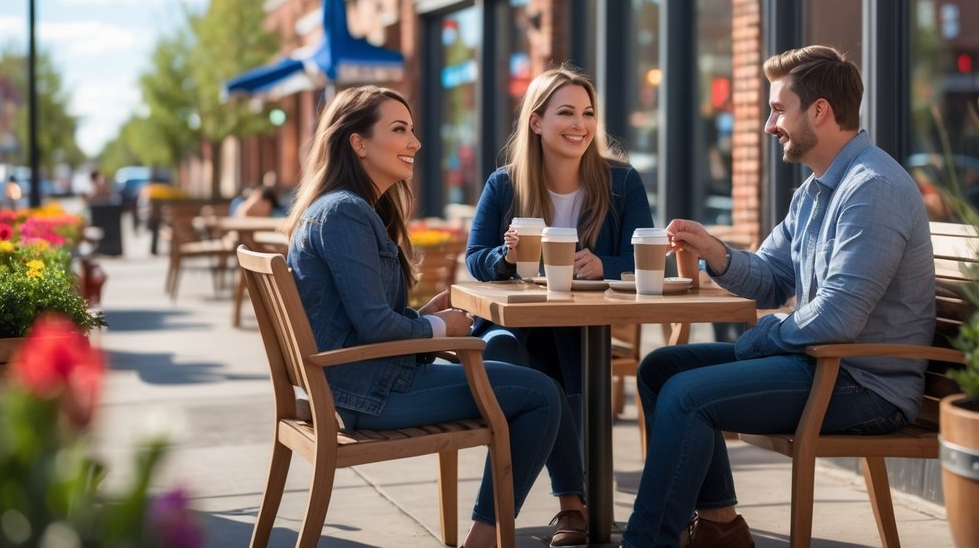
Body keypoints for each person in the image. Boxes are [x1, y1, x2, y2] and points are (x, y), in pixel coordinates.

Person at [621, 46, 936, 548]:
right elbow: (771, 277)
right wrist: (716, 253)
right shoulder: (814, 190)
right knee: (661, 371)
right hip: (821, 365)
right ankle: (722, 528)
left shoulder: (873, 189)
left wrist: (762, 337)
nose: (770, 126)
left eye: (777, 109)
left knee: (687, 395)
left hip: (864, 386)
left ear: (819, 111)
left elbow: (838, 316)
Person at [284, 85, 561, 548]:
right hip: (367, 394)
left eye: (412, 130)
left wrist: (420, 316)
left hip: (356, 383)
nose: (414, 142)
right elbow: (374, 328)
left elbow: (361, 316)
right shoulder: (345, 214)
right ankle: (487, 537)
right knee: (542, 395)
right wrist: (438, 328)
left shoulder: (339, 209)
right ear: (358, 142)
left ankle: (547, 509)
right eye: (399, 130)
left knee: (507, 351)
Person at [466, 65, 653, 546]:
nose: (580, 124)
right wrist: (505, 256)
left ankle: (571, 503)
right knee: (507, 354)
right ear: (536, 122)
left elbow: (640, 258)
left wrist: (603, 266)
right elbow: (475, 260)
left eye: (587, 113)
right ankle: (567, 504)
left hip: (580, 323)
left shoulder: (621, 182)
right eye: (566, 112)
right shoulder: (503, 185)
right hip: (515, 325)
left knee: (561, 354)